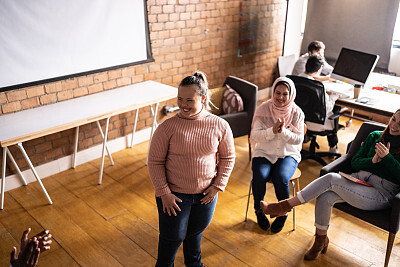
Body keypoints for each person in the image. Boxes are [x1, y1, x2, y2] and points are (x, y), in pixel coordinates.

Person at [261, 108, 400, 260]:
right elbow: (354, 162)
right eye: (394, 119)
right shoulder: (375, 136)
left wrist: (387, 158)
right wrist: (372, 161)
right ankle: (320, 241)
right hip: (360, 180)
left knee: (331, 179)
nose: (395, 125)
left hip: (381, 193)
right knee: (326, 195)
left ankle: (284, 206)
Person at [148, 71, 235, 267]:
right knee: (172, 238)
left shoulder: (220, 125)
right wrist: (164, 193)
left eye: (189, 100)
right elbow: (154, 162)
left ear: (203, 99)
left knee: (195, 235)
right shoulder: (167, 127)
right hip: (175, 195)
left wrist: (217, 186)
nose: (183, 105)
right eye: (180, 99)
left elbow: (228, 157)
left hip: (206, 193)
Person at [250, 77, 304, 233]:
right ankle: (259, 210)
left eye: (285, 94)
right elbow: (255, 136)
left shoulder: (297, 112)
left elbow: (299, 139)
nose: (280, 97)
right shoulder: (263, 109)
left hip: (288, 154)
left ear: (291, 94)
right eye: (277, 93)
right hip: (264, 152)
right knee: (259, 176)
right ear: (272, 92)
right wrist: (272, 131)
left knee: (281, 177)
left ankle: (283, 213)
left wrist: (283, 132)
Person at [299, 55, 340, 153]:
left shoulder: (296, 79)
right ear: (318, 71)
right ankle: (333, 148)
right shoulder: (319, 87)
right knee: (335, 109)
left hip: (300, 122)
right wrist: (334, 96)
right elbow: (328, 108)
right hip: (318, 123)